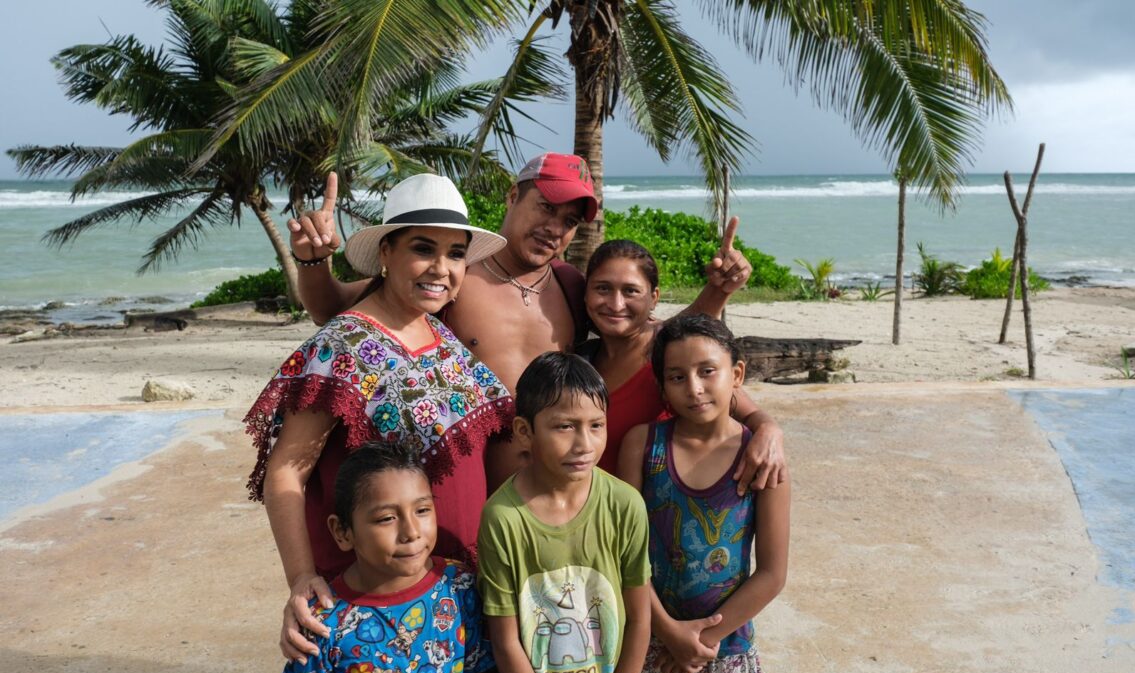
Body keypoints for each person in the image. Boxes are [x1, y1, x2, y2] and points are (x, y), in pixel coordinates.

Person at [285, 154, 786, 488]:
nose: (554, 228)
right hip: (471, 483)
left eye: (569, 221)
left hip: (558, 492)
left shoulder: (570, 285)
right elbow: (336, 312)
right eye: (546, 207)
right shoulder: (453, 273)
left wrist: (717, 296)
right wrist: (313, 260)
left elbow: (654, 342)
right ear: (512, 196)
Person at [246, 173, 513, 661]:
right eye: (423, 249)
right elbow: (287, 471)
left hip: (455, 588)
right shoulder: (345, 344)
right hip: (384, 595)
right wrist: (301, 577)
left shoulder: (437, 331)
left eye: (456, 254)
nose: (441, 268)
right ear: (386, 253)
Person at [616, 315, 791, 673]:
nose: (694, 388)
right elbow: (624, 554)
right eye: (677, 377)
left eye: (707, 371)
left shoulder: (762, 458)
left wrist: (702, 640)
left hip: (726, 636)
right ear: (662, 386)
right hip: (648, 627)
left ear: (737, 374)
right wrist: (668, 631)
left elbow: (772, 573)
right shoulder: (643, 446)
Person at [476, 353, 651, 673]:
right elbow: (505, 641)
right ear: (524, 431)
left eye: (596, 425)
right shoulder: (503, 518)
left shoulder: (625, 505)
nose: (584, 444)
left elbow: (640, 620)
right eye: (564, 427)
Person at [273, 440, 494, 673]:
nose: (411, 532)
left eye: (422, 510)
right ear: (342, 532)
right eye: (386, 518)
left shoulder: (457, 588)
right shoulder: (322, 624)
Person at [580, 232, 785, 490]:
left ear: (654, 297)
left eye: (631, 291)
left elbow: (749, 412)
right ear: (585, 293)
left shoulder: (672, 357)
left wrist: (770, 432)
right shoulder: (579, 361)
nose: (616, 304)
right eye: (602, 288)